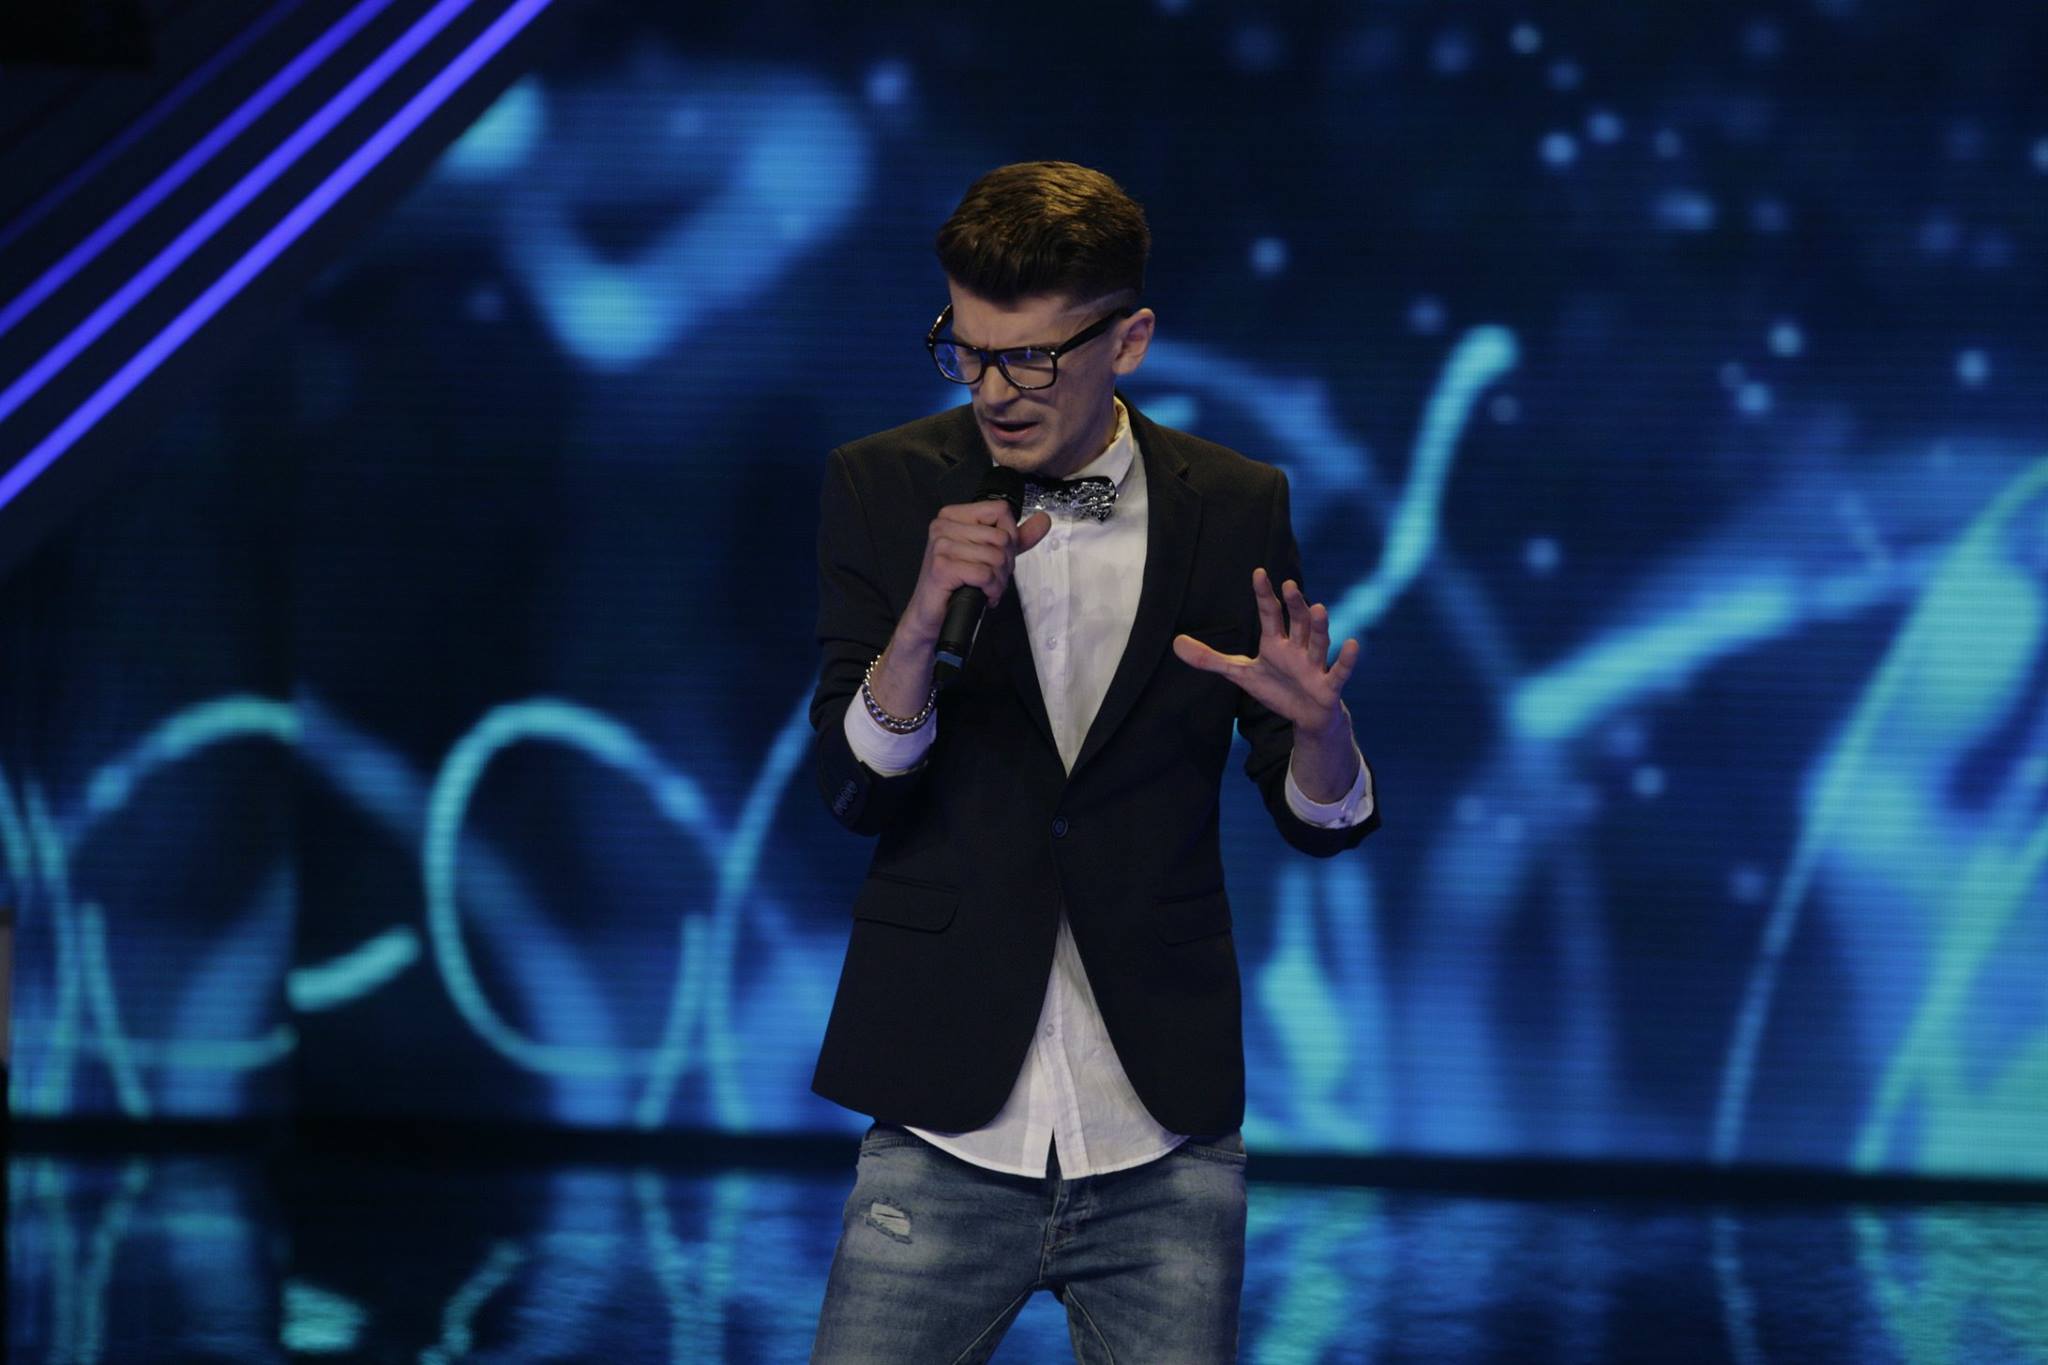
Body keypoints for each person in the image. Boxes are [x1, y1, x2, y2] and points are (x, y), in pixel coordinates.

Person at [807, 160, 1378, 1363]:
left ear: (1128, 340)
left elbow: (1315, 818)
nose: (993, 391)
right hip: (942, 1113)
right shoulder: (883, 484)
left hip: (1160, 1131)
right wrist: (918, 620)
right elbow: (854, 787)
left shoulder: (1233, 504)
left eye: (1030, 358)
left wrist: (1319, 733)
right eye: (966, 351)